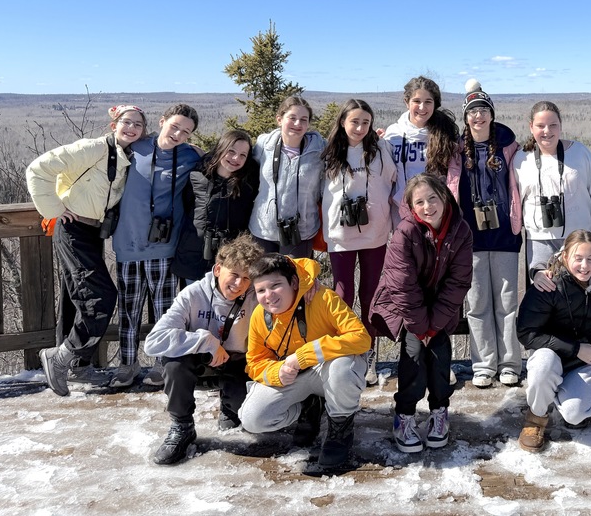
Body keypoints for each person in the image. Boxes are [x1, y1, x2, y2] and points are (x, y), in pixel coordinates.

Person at [27, 104, 146, 396]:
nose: (131, 128)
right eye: (126, 122)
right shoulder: (93, 148)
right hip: (73, 229)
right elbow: (38, 169)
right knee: (101, 296)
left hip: (94, 232)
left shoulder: (126, 155)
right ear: (113, 125)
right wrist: (55, 209)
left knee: (75, 297)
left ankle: (79, 366)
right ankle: (60, 357)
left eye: (138, 125)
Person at [368, 173, 473, 454]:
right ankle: (405, 416)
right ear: (411, 207)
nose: (428, 207)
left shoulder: (460, 231)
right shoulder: (405, 232)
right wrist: (420, 326)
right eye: (420, 202)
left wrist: (434, 325)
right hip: (408, 307)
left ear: (444, 196)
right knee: (413, 353)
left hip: (441, 305)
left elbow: (458, 282)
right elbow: (402, 285)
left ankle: (440, 412)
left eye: (432, 199)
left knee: (440, 352)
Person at [239, 252, 371, 473]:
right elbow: (254, 362)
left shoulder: (322, 298)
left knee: (342, 368)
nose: (268, 296)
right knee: (253, 419)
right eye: (261, 290)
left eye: (275, 285)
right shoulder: (260, 316)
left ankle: (340, 427)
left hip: (328, 370)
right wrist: (276, 372)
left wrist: (305, 355)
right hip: (294, 374)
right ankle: (307, 408)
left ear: (293, 283)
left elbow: (361, 338)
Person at [143, 233, 265, 465]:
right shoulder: (193, 294)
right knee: (174, 362)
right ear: (218, 269)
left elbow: (292, 274)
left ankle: (230, 406)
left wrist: (311, 284)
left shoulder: (256, 296)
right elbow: (153, 341)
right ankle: (182, 426)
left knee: (243, 423)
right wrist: (205, 340)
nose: (239, 284)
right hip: (199, 361)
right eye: (234, 275)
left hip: (238, 362)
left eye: (247, 278)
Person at [111, 104, 202, 390]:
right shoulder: (133, 147)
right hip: (127, 243)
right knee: (129, 308)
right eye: (175, 126)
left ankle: (163, 363)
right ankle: (127, 363)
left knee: (165, 310)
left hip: (163, 246)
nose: (178, 134)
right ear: (162, 122)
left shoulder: (190, 155)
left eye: (186, 132)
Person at [321, 99, 397, 387]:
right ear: (342, 122)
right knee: (342, 294)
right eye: (355, 121)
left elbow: (392, 178)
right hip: (340, 233)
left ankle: (368, 355)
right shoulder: (328, 152)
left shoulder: (380, 148)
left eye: (365, 122)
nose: (360, 127)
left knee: (370, 295)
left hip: (374, 232)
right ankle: (342, 353)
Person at [457, 80, 524, 389]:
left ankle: (510, 363)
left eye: (483, 110)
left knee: (507, 303)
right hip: (470, 238)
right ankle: (484, 364)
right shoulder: (456, 151)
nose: (478, 116)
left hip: (504, 237)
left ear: (492, 114)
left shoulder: (509, 145)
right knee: (477, 304)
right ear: (465, 117)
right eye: (472, 112)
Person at [515, 229, 591, 453]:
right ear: (565, 257)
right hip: (551, 354)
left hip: (581, 363)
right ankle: (535, 417)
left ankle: (560, 394)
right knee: (544, 365)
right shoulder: (548, 284)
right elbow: (527, 333)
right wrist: (575, 348)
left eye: (590, 259)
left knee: (575, 415)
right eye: (578, 258)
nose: (584, 266)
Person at [513, 100, 591, 288]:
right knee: (544, 296)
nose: (547, 131)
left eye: (553, 125)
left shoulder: (579, 154)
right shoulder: (521, 160)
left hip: (579, 240)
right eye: (540, 126)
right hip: (539, 243)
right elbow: (514, 208)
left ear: (561, 126)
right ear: (530, 127)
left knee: (580, 294)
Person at [174, 130, 259, 287]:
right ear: (220, 149)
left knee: (225, 307)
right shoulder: (197, 175)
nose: (235, 159)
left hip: (230, 258)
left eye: (242, 155)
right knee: (194, 306)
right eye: (231, 151)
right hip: (193, 254)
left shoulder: (249, 183)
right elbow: (184, 207)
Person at [248, 95, 326, 258]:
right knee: (263, 280)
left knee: (296, 281)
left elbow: (347, 149)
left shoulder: (320, 148)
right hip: (263, 229)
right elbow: (240, 165)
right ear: (279, 119)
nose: (298, 124)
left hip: (301, 230)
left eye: (304, 119)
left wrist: (374, 140)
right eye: (292, 118)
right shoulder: (264, 145)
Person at [382, 76, 461, 223]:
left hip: (435, 212)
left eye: (428, 102)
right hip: (402, 213)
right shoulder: (393, 133)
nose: (422, 107)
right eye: (416, 101)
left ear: (435, 104)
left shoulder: (445, 134)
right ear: (407, 102)